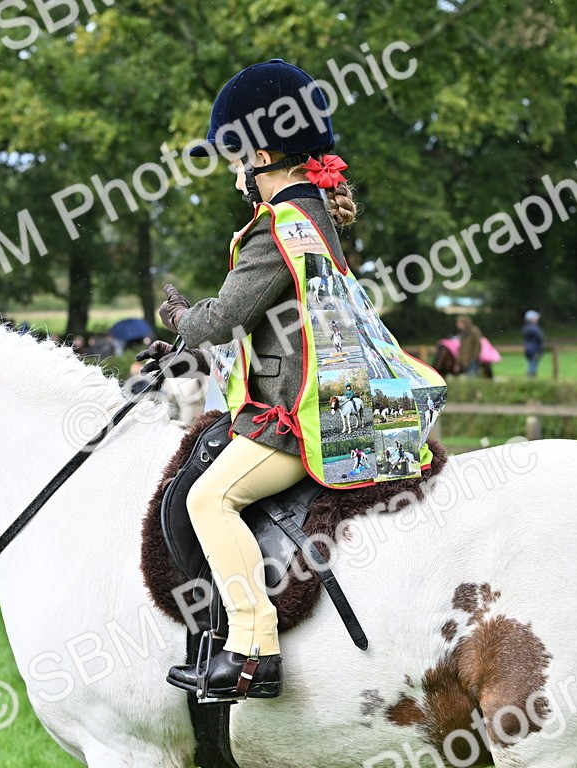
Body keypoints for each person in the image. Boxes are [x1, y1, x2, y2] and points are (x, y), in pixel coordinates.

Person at [143, 59, 442, 700]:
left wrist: (178, 319)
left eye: (232, 157)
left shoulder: (278, 228)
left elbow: (226, 318)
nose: (230, 171)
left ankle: (254, 650)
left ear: (261, 153)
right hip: (306, 396)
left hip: (295, 419)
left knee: (206, 499)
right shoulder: (310, 216)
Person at [522, 310, 545, 377]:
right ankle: (531, 376)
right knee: (533, 362)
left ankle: (531, 375)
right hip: (534, 348)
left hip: (528, 348)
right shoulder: (533, 328)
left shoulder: (526, 327)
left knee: (532, 362)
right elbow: (540, 337)